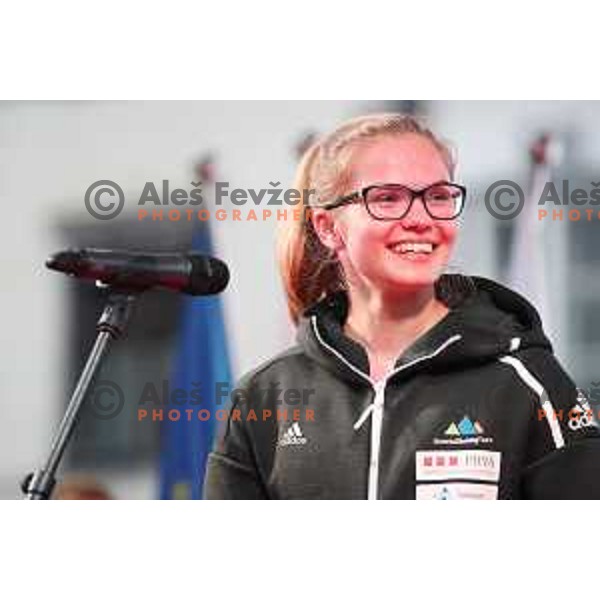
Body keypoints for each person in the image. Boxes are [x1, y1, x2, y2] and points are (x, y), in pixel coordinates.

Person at [204, 113, 600, 500]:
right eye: (388, 199)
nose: (420, 218)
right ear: (328, 228)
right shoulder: (263, 398)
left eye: (438, 197)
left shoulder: (528, 384)